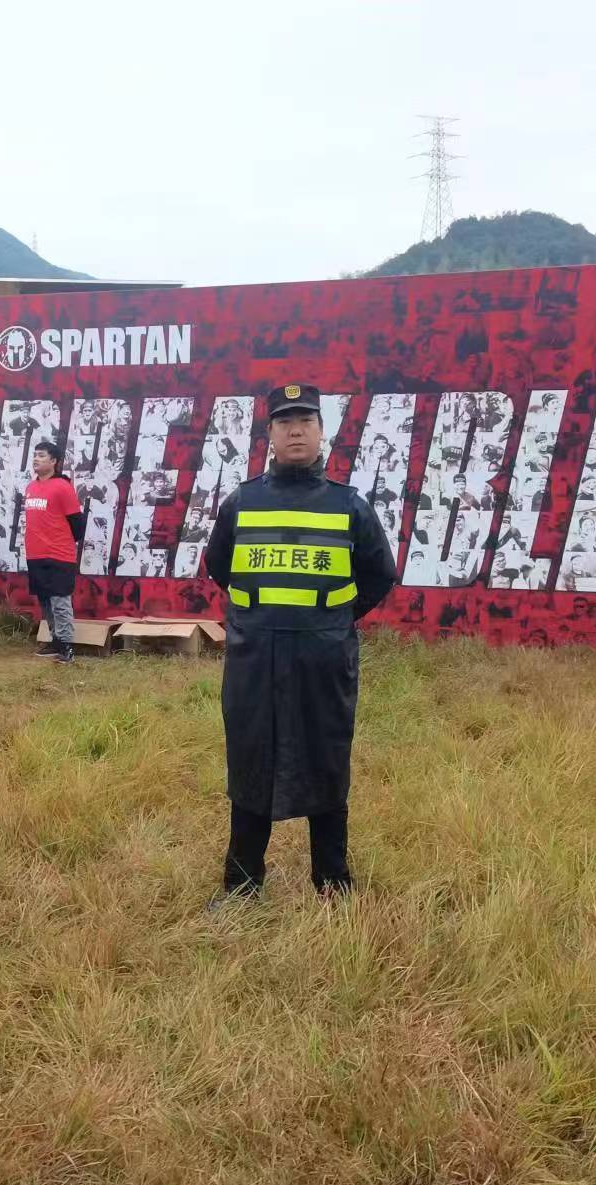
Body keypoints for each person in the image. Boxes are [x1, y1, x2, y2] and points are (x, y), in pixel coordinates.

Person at [203, 383, 397, 903]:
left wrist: (331, 621)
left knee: (326, 763)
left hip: (323, 662)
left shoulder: (348, 505)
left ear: (321, 431)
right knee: (250, 763)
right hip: (254, 662)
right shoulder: (242, 502)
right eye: (285, 422)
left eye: (306, 421)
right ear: (269, 434)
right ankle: (242, 887)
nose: (296, 431)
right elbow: (219, 566)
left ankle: (332, 885)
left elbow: (379, 574)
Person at [23, 440, 83, 662]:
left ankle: (66, 645)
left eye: (41, 455)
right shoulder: (31, 487)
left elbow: (77, 524)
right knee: (45, 600)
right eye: (35, 455)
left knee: (60, 601)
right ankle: (55, 640)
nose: (36, 459)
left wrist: (59, 541)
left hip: (59, 554)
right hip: (35, 554)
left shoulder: (63, 487)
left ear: (54, 461)